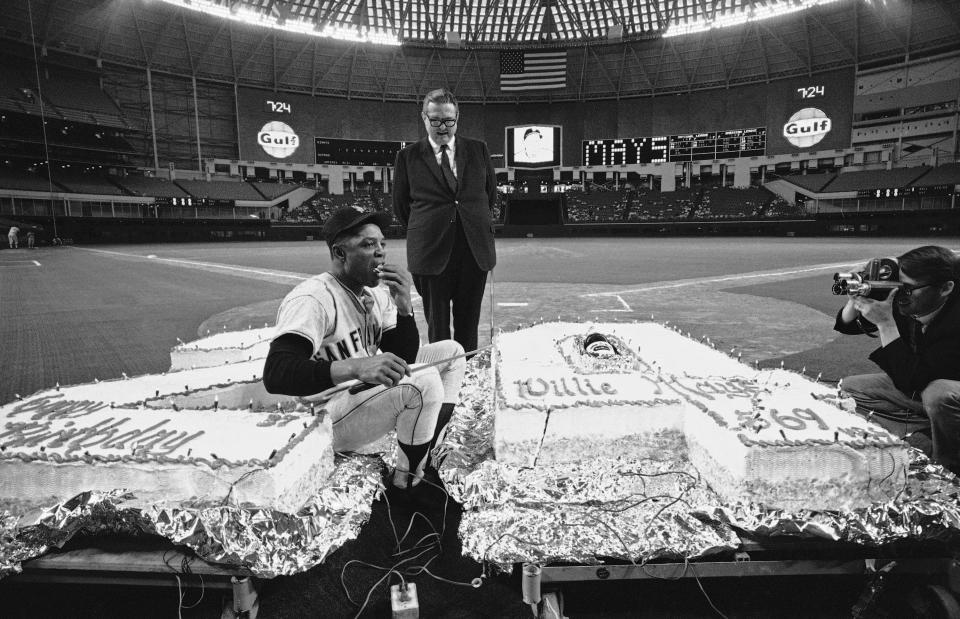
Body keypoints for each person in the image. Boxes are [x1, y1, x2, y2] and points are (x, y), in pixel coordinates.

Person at [263, 207, 466, 497]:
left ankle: (424, 448)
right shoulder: (314, 298)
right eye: (368, 245)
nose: (380, 252)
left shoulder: (372, 295)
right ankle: (407, 484)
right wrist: (357, 366)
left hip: (360, 394)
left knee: (453, 353)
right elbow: (276, 374)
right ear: (340, 253)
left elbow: (404, 357)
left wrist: (404, 307)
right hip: (324, 414)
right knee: (425, 382)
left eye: (382, 244)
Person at [834, 245, 960, 474]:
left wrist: (886, 324)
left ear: (945, 288)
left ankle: (950, 468)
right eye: (897, 287)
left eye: (908, 289)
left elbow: (913, 380)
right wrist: (856, 297)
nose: (900, 295)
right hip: (925, 385)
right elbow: (847, 325)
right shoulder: (913, 298)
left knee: (939, 395)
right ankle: (933, 430)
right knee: (851, 389)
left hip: (945, 388)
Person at [392, 88, 497, 355]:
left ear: (457, 119)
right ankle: (441, 381)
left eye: (449, 120)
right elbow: (401, 207)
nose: (442, 126)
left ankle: (466, 376)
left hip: (473, 250)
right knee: (437, 327)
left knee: (469, 323)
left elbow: (490, 196)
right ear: (424, 118)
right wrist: (430, 227)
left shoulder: (478, 150)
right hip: (430, 251)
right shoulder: (407, 157)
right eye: (436, 119)